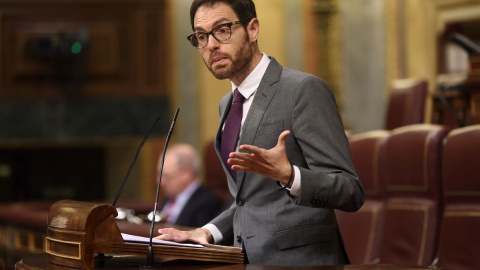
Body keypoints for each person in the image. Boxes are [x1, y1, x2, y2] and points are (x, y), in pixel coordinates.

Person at [156, 0, 364, 266]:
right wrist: (207, 231)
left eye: (222, 30)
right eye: (201, 36)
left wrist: (290, 176)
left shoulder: (303, 90)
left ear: (253, 29)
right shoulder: (227, 104)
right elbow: (248, 201)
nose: (211, 45)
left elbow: (350, 190)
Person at [157, 143, 221, 228]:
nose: (160, 181)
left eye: (166, 176)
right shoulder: (168, 199)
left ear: (186, 174)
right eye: (159, 175)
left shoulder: (207, 203)